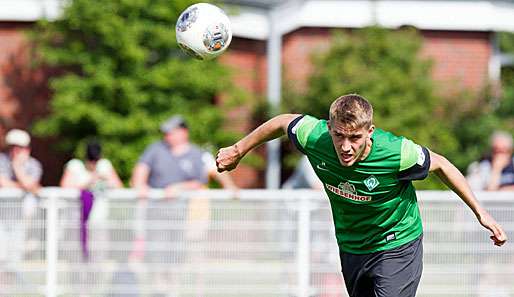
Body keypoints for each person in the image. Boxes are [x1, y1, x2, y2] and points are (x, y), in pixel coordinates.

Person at [216, 94, 507, 297]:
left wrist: (480, 212)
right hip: (352, 245)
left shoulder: (396, 152)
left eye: (354, 137)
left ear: (370, 132)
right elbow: (282, 122)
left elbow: (441, 164)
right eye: (339, 135)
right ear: (329, 128)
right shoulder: (314, 137)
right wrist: (238, 150)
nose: (345, 146)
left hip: (397, 242)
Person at [130, 115, 237, 297]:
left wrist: (178, 188)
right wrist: (140, 186)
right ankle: (158, 290)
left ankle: (173, 290)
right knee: (155, 255)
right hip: (155, 215)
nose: (167, 136)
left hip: (182, 217)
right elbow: (140, 171)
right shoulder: (155, 150)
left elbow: (201, 179)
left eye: (170, 132)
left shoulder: (196, 154)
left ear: (183, 132)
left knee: (177, 256)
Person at [60, 141, 123, 261]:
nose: (93, 163)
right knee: (76, 258)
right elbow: (65, 187)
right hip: (77, 223)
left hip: (99, 222)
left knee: (97, 258)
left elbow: (118, 186)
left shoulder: (105, 166)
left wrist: (106, 179)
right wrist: (89, 182)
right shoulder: (75, 166)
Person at [0, 129, 43, 261]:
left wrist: (17, 166)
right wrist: (24, 187)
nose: (14, 151)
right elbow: (3, 183)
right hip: (1, 217)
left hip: (20, 219)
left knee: (15, 257)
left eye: (19, 148)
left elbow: (32, 186)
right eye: (12, 147)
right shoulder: (1, 160)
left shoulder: (34, 165)